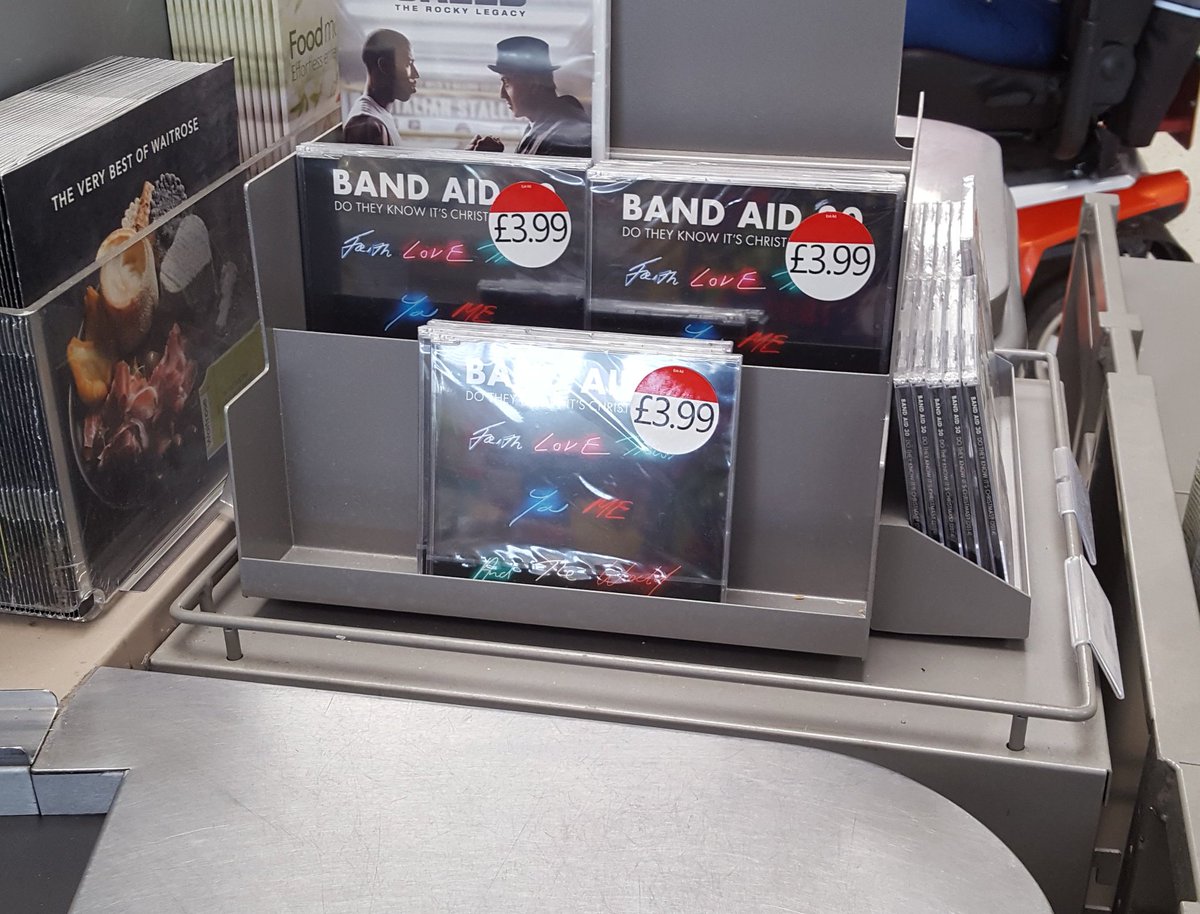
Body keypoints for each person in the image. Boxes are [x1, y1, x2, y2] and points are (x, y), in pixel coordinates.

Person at [469, 36, 591, 157]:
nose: (502, 94)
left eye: (506, 82)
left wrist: (489, 162)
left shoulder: (563, 135)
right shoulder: (542, 125)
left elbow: (542, 169)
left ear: (534, 82)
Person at [344, 30, 420, 146]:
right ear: (384, 66)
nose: (416, 74)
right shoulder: (368, 126)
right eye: (408, 64)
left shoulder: (378, 115)